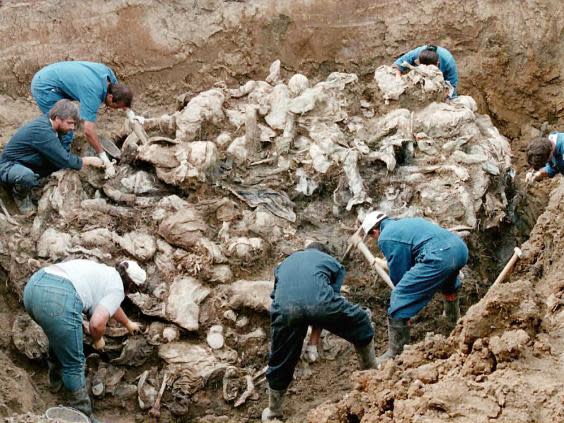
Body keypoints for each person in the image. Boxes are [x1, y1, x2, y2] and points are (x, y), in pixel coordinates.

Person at [262, 243, 376, 422]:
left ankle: (273, 412)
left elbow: (280, 296)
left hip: (285, 309)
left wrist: (311, 342)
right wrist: (313, 340)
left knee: (280, 357)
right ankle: (372, 378)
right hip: (320, 304)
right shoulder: (334, 264)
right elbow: (325, 303)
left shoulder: (284, 263)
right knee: (361, 321)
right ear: (325, 253)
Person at [23, 259, 146, 422]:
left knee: (60, 339)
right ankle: (82, 413)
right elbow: (96, 324)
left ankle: (56, 384)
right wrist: (98, 339)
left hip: (34, 288)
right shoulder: (117, 289)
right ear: (130, 286)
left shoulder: (105, 273)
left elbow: (110, 304)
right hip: (58, 299)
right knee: (74, 363)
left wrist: (127, 323)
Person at [361, 211, 468, 368]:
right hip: (459, 250)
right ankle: (453, 323)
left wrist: (404, 298)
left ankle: (396, 352)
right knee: (449, 285)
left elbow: (400, 272)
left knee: (399, 297)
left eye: (372, 236)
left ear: (375, 231)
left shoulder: (385, 237)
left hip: (439, 257)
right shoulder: (407, 223)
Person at [0, 100, 105, 214]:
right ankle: (20, 196)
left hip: (27, 161)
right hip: (9, 166)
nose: (72, 127)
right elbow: (64, 159)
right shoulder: (42, 131)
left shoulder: (52, 125)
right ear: (57, 118)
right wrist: (88, 160)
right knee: (27, 176)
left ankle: (33, 184)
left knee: (56, 165)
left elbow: (61, 155)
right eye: (69, 123)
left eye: (74, 124)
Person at [31, 61, 133, 176]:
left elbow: (122, 97)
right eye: (117, 107)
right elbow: (88, 131)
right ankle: (60, 164)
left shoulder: (109, 76)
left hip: (53, 73)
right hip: (45, 86)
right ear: (110, 97)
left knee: (72, 121)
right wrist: (105, 160)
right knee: (65, 129)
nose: (117, 109)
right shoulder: (92, 94)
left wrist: (131, 114)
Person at [393, 44, 458, 97]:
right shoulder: (416, 54)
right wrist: (398, 79)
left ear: (437, 64)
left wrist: (446, 97)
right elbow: (398, 64)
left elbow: (452, 86)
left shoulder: (448, 62)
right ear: (418, 62)